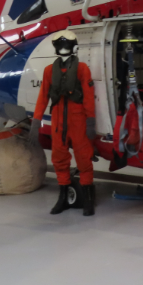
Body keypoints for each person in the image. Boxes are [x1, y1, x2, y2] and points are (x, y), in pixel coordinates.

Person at [29, 30, 96, 216]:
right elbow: (43, 97)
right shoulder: (49, 71)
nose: (63, 48)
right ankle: (63, 197)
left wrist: (91, 122)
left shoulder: (82, 69)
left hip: (78, 121)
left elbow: (88, 97)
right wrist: (36, 121)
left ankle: (88, 198)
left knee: (84, 158)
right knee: (59, 158)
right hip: (58, 121)